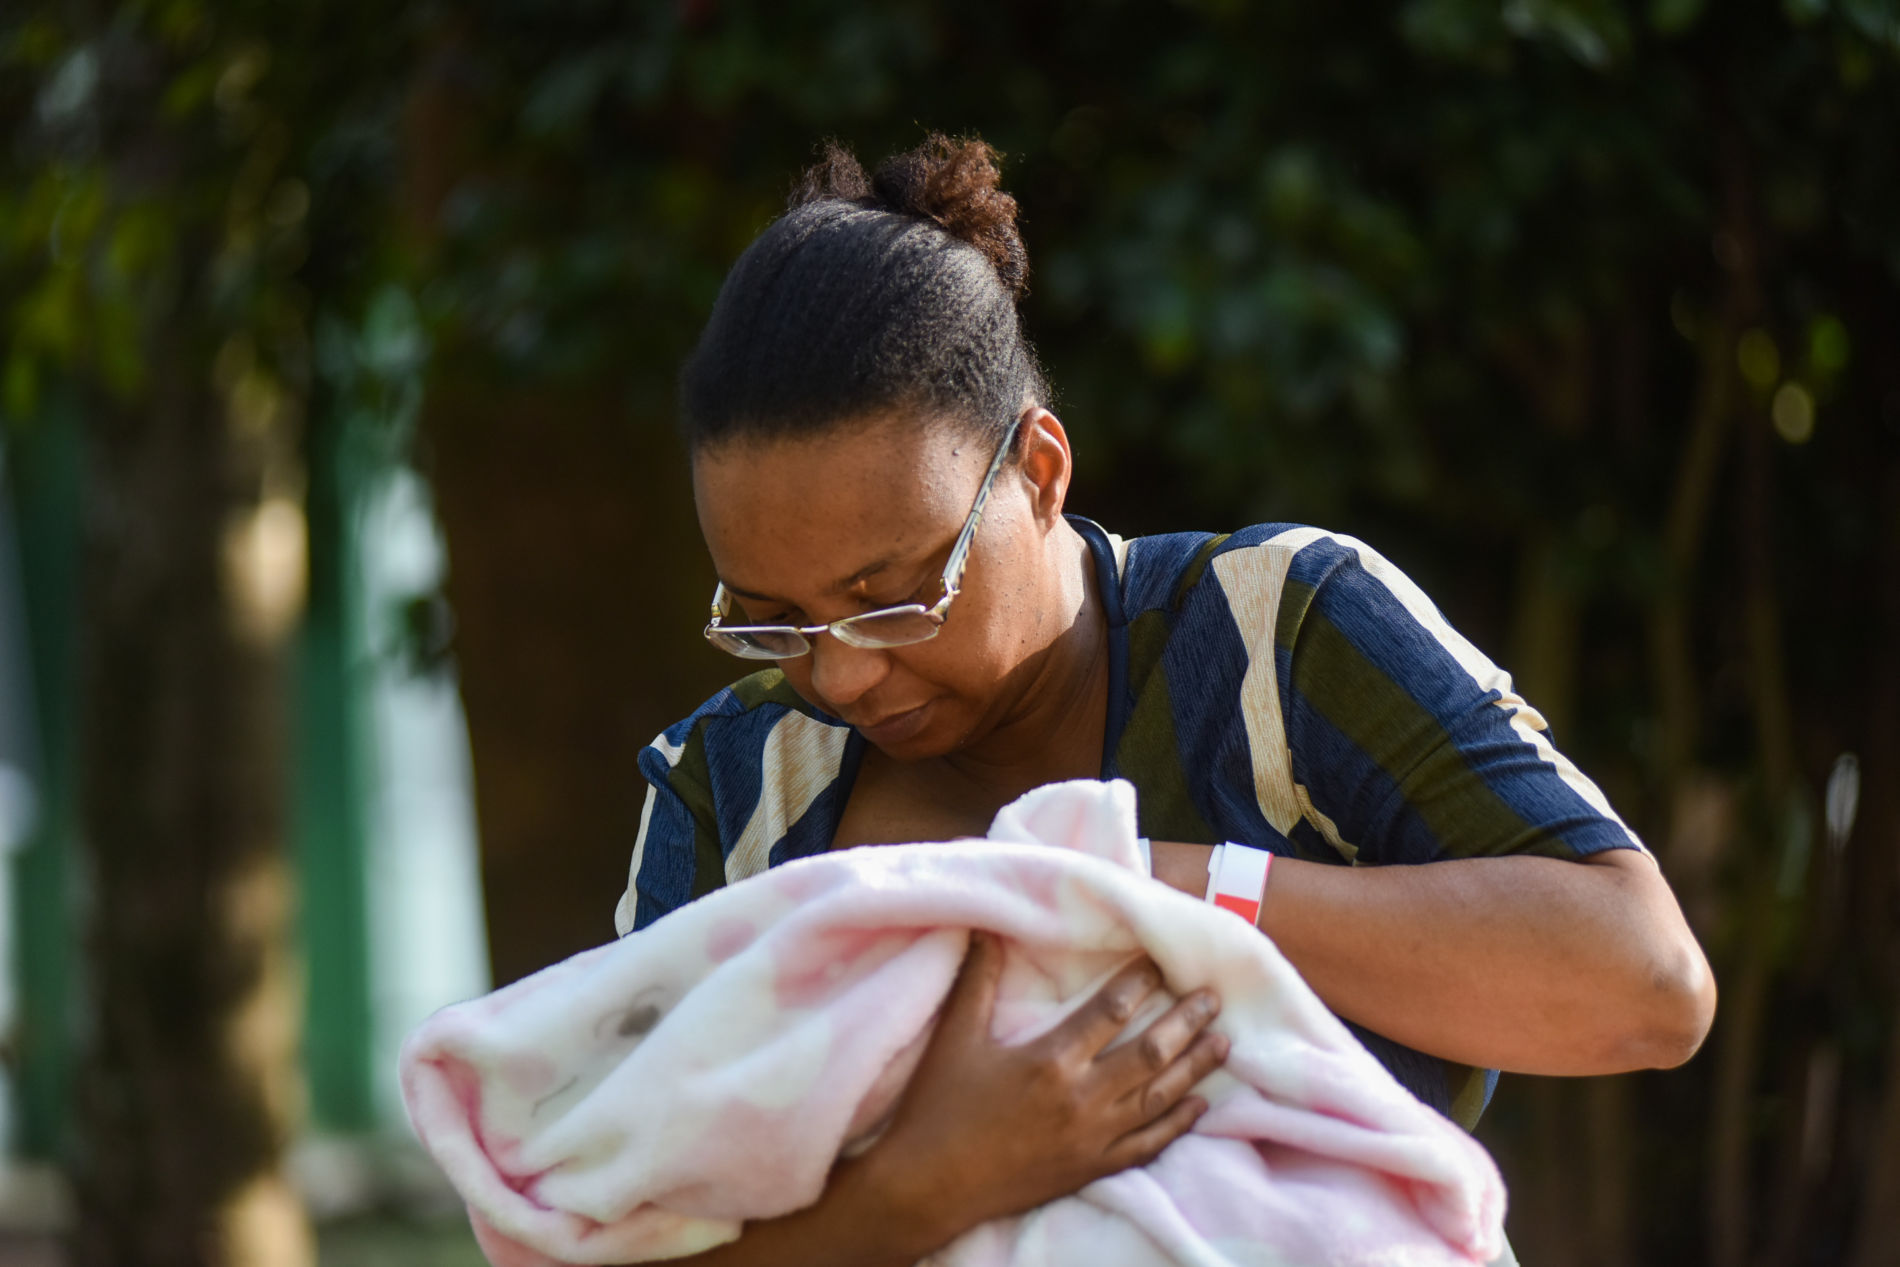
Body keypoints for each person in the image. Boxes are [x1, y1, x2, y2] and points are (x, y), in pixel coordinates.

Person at [612, 133, 1715, 1267]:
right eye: (771, 617)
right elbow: (600, 1217)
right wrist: (924, 1186)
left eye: (890, 598)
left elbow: (1642, 984)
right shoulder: (733, 792)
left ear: (1039, 472)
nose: (838, 672)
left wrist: (1139, 887)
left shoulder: (1275, 640)